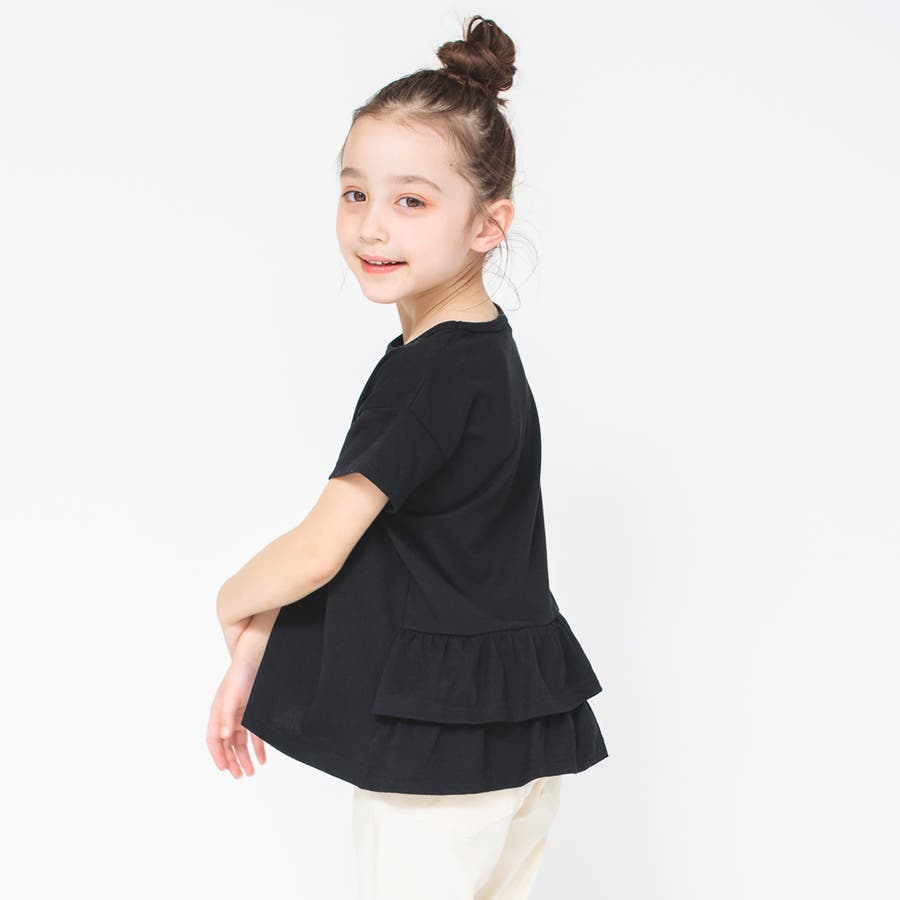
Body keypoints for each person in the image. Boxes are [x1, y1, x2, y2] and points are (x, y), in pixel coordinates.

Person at [207, 14, 608, 898]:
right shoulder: (484, 351)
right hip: (510, 734)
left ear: (489, 224)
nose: (372, 227)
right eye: (355, 194)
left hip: (441, 763)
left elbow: (320, 549)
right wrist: (263, 640)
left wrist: (231, 601)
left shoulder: (424, 377)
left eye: (412, 201)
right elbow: (412, 555)